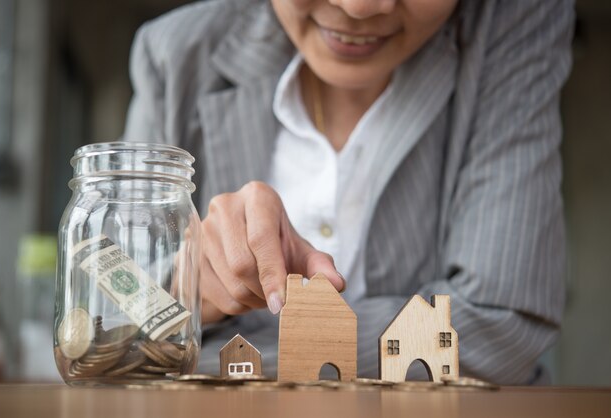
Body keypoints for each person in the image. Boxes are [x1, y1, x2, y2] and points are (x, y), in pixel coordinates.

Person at [123, 0, 574, 384]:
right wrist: (192, 292)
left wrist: (197, 354)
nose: (359, 7)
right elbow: (112, 332)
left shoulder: (515, 20)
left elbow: (503, 326)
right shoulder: (174, 56)